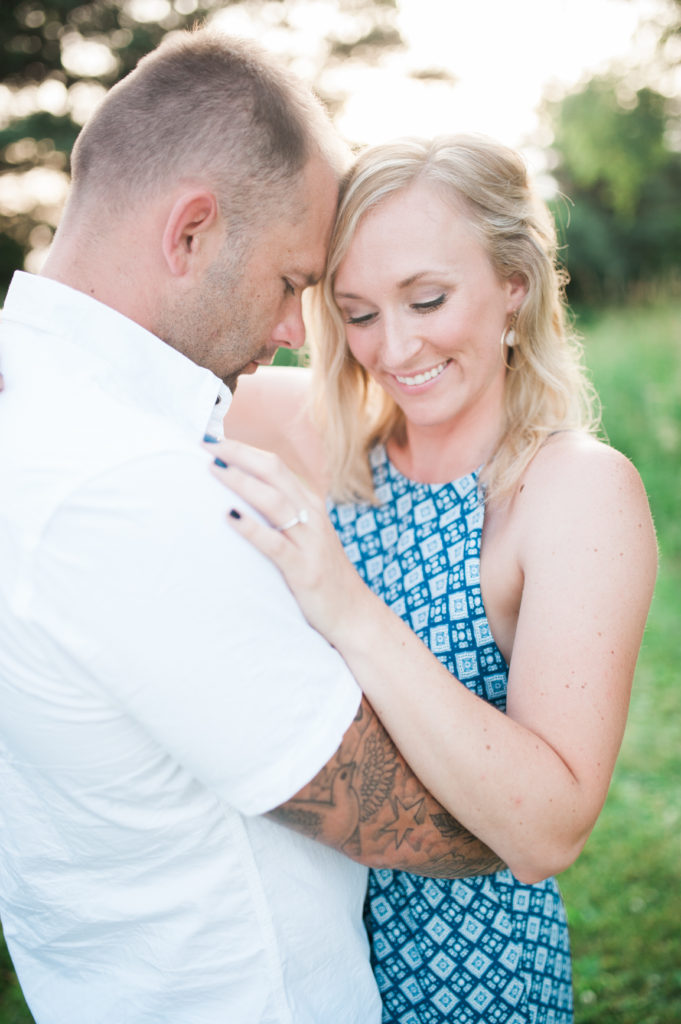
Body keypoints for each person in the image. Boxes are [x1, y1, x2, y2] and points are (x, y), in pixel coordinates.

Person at [0, 39, 504, 1024]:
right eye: (289, 283)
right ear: (191, 232)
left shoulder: (32, 405)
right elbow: (401, 815)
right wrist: (534, 806)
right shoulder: (128, 484)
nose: (293, 332)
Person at [211, 134, 658, 1024]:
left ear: (514, 286)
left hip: (467, 983)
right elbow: (104, 382)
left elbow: (547, 830)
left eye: (426, 299)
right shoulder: (311, 434)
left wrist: (347, 606)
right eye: (359, 312)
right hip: (295, 970)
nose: (395, 346)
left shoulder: (569, 489)